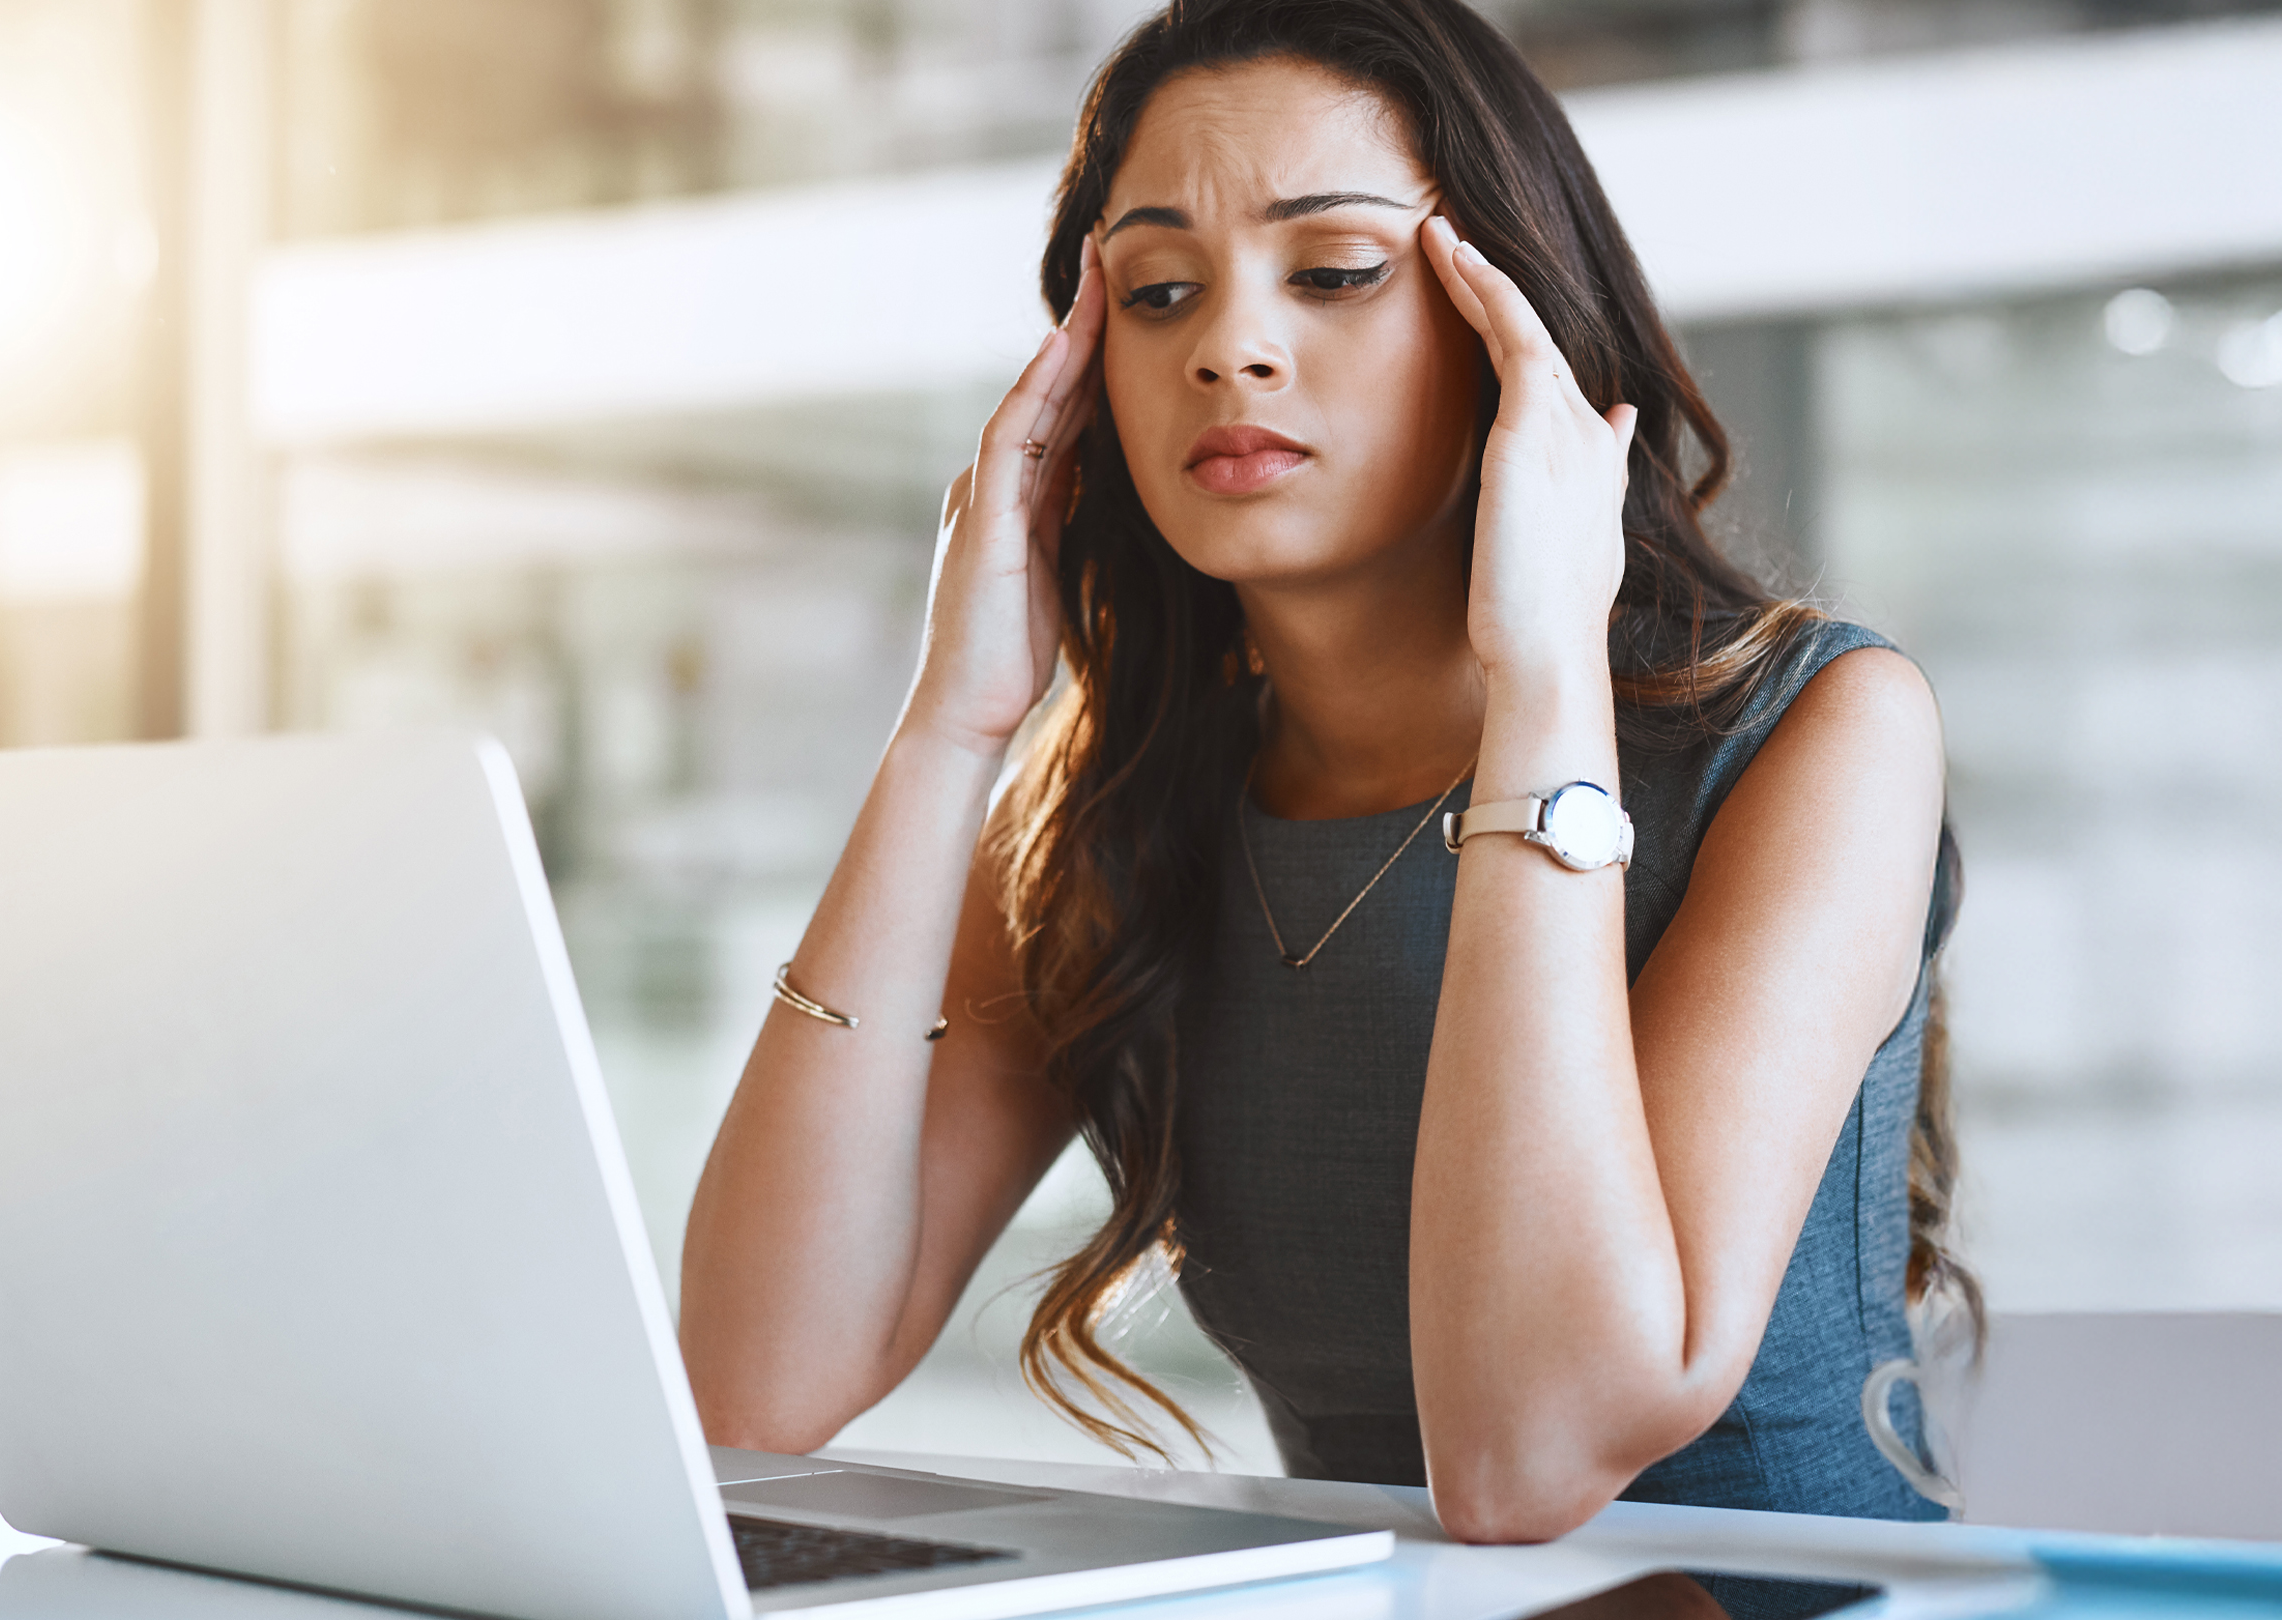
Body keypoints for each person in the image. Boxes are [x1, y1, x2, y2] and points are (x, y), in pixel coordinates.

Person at [680, 0, 1971, 1549]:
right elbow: (753, 1383)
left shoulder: (1820, 732)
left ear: (1522, 325)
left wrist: (1543, 679)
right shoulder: (1113, 807)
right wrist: (945, 732)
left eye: (1337, 273)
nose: (1230, 343)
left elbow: (1524, 1459)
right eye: (1157, 290)